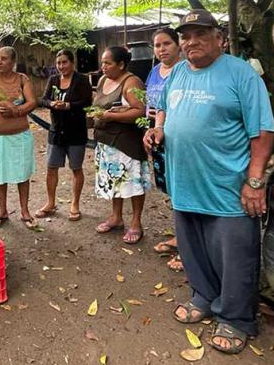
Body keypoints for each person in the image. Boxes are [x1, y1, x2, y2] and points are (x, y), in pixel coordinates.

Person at [144, 9, 274, 355]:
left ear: (220, 38)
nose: (191, 42)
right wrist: (158, 130)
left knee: (235, 256)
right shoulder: (178, 74)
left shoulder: (241, 74)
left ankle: (236, 318)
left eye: (200, 34)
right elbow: (166, 111)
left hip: (227, 187)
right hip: (185, 184)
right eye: (186, 36)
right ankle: (204, 296)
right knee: (192, 249)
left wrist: (255, 181)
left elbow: (262, 132)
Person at [89, 46, 150, 244]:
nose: (103, 67)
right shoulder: (103, 80)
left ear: (121, 64)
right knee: (113, 181)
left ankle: (136, 222)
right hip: (107, 142)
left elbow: (141, 111)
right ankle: (116, 217)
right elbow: (97, 103)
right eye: (102, 63)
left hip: (126, 144)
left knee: (132, 183)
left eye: (108, 63)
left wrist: (109, 115)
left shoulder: (131, 82)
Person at [0, 46, 38, 229]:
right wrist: (3, 103)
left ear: (13, 62)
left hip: (20, 137)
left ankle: (25, 211)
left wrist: (17, 111)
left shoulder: (22, 79)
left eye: (4, 59)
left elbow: (32, 102)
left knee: (22, 174)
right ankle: (2, 211)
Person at [35, 49, 92, 221]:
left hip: (76, 132)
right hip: (56, 131)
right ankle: (50, 203)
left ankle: (75, 203)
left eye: (64, 62)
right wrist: (52, 103)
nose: (61, 66)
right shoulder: (53, 80)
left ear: (72, 63)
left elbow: (87, 102)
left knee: (76, 168)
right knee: (51, 168)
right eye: (58, 63)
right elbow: (43, 99)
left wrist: (68, 106)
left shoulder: (81, 80)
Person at [146, 29, 185, 272]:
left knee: (185, 190)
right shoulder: (154, 72)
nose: (161, 49)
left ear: (178, 44)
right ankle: (180, 237)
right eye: (157, 45)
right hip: (159, 137)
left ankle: (188, 249)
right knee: (172, 190)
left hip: (182, 140)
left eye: (166, 43)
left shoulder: (185, 72)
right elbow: (152, 103)